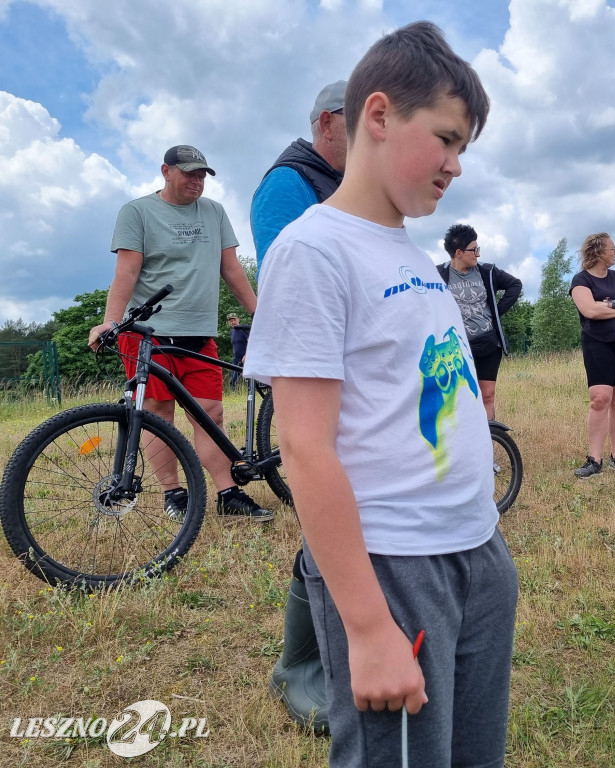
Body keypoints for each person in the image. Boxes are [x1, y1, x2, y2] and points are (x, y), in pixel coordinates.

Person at [243, 22, 517, 768]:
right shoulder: (313, 250)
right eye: (448, 139)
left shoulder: (407, 250)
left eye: (465, 149)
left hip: (476, 549)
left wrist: (488, 545)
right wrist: (367, 627)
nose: (457, 165)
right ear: (378, 114)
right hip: (396, 565)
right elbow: (303, 447)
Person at [87, 145, 272, 522]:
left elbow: (232, 269)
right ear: (166, 171)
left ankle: (228, 493)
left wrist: (263, 315)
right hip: (148, 334)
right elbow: (127, 271)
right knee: (158, 415)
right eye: (189, 173)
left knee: (210, 414)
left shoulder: (215, 212)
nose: (197, 180)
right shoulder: (137, 212)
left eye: (202, 174)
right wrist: (110, 320)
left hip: (197, 332)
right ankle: (174, 493)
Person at [251, 80, 351, 733]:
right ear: (325, 123)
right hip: (314, 366)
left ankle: (336, 645)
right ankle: (299, 664)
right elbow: (295, 282)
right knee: (328, 506)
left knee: (356, 506)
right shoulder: (289, 183)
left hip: (346, 363)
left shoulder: (336, 184)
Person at [251, 79, 348, 272]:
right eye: (360, 120)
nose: (373, 131)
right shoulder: (285, 183)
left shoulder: (347, 182)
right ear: (327, 124)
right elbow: (283, 280)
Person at [570, 233, 615, 478]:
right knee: (600, 398)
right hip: (596, 342)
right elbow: (589, 311)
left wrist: (607, 305)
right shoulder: (581, 280)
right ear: (599, 251)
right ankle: (594, 459)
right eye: (613, 249)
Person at [437, 223, 522, 420]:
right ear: (458, 252)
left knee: (487, 396)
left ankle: (488, 445)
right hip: (456, 347)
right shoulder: (439, 275)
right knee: (459, 397)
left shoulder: (487, 272)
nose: (478, 254)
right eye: (474, 250)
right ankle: (462, 445)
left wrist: (495, 313)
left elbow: (515, 285)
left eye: (478, 249)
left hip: (488, 344)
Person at [226, 313, 249, 389]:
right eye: (231, 321)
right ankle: (234, 395)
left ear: (238, 320)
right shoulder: (232, 332)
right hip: (237, 358)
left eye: (234, 320)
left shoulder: (244, 329)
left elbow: (250, 342)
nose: (233, 322)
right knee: (234, 379)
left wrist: (247, 355)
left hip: (246, 357)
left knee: (251, 379)